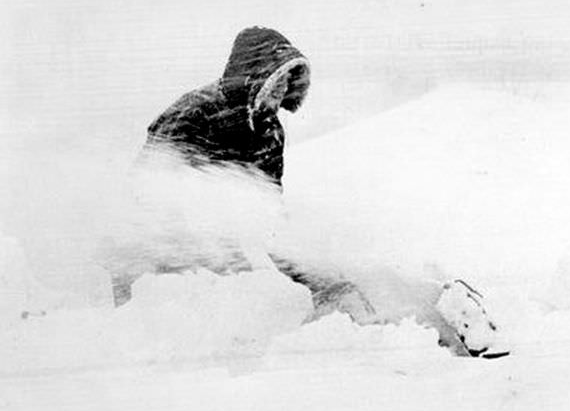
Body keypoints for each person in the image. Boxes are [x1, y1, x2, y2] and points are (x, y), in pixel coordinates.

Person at [116, 26, 508, 358]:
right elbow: (149, 191)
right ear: (254, 74)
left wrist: (307, 264)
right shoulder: (195, 113)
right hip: (157, 255)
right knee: (206, 327)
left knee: (321, 274)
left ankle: (391, 332)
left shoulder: (269, 130)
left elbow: (268, 208)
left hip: (232, 240)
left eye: (290, 81)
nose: (283, 89)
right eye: (278, 78)